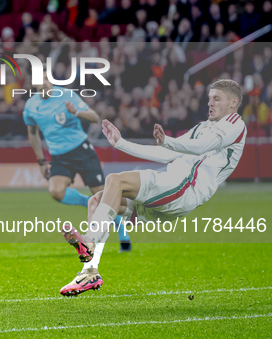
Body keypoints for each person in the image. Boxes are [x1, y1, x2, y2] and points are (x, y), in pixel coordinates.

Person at [60, 79, 246, 296]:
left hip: (183, 189)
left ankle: (89, 243)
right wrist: (122, 143)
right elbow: (167, 153)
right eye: (209, 98)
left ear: (233, 102)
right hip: (170, 190)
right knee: (97, 200)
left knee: (115, 180)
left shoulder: (235, 124)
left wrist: (169, 141)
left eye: (216, 98)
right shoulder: (202, 127)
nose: (210, 103)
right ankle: (90, 272)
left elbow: (202, 146)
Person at [23, 76, 131, 251]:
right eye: (39, 79)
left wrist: (76, 112)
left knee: (103, 197)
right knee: (56, 191)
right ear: (33, 84)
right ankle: (88, 201)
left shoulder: (66, 95)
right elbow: (32, 133)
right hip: (59, 156)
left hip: (82, 151)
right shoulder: (30, 106)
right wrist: (41, 161)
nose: (44, 82)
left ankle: (121, 229)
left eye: (46, 78)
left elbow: (94, 117)